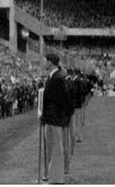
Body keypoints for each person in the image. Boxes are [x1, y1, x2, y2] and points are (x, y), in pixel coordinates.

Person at [41, 54, 71, 184]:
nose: (44, 63)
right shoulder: (53, 77)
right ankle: (52, 175)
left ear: (51, 62)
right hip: (51, 118)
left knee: (56, 149)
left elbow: (61, 100)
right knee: (52, 148)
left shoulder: (57, 78)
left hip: (54, 118)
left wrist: (54, 116)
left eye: (45, 61)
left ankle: (57, 178)